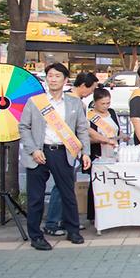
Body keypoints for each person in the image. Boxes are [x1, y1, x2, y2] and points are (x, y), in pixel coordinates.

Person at [18, 63, 91, 251]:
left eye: (57, 76)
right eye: (50, 76)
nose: (53, 79)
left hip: (63, 152)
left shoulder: (74, 103)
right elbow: (24, 127)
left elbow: (82, 129)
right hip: (39, 153)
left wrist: (85, 153)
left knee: (68, 193)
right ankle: (36, 236)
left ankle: (73, 230)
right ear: (46, 79)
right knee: (36, 197)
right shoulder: (36, 101)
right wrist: (33, 149)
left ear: (65, 80)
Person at [43, 71, 98, 236]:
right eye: (92, 89)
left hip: (70, 149)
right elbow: (83, 128)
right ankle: (53, 222)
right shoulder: (72, 101)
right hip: (63, 148)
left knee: (65, 187)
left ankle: (67, 220)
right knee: (61, 187)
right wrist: (103, 139)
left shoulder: (73, 100)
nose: (91, 93)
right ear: (83, 86)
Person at [85, 87, 122, 223]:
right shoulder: (89, 115)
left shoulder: (111, 113)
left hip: (113, 152)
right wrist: (103, 139)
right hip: (97, 152)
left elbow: (117, 131)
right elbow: (86, 137)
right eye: (103, 104)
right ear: (95, 102)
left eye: (108, 103)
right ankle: (93, 215)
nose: (106, 106)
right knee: (96, 183)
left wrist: (121, 137)